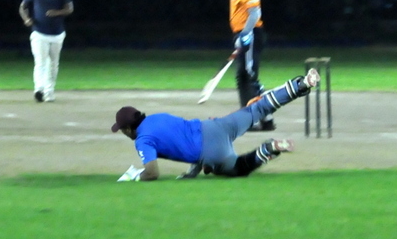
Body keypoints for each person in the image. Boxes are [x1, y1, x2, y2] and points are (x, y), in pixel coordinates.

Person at [111, 67, 321, 182]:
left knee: (238, 168)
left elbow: (152, 173)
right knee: (260, 108)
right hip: (215, 127)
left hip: (210, 152)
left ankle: (270, 149)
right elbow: (183, 139)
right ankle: (301, 84)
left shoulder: (142, 140)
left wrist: (136, 177)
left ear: (128, 129)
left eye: (122, 130)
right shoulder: (156, 118)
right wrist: (193, 172)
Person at [222, 0, 274, 131]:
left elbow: (255, 14)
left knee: (249, 77)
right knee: (243, 77)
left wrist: (244, 35)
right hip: (245, 34)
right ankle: (255, 119)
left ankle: (265, 119)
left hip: (252, 34)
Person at [19, 0, 74, 102]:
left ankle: (49, 92)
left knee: (53, 64)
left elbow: (69, 9)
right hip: (39, 33)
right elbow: (22, 7)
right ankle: (39, 89)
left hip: (57, 34)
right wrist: (26, 19)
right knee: (40, 62)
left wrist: (57, 12)